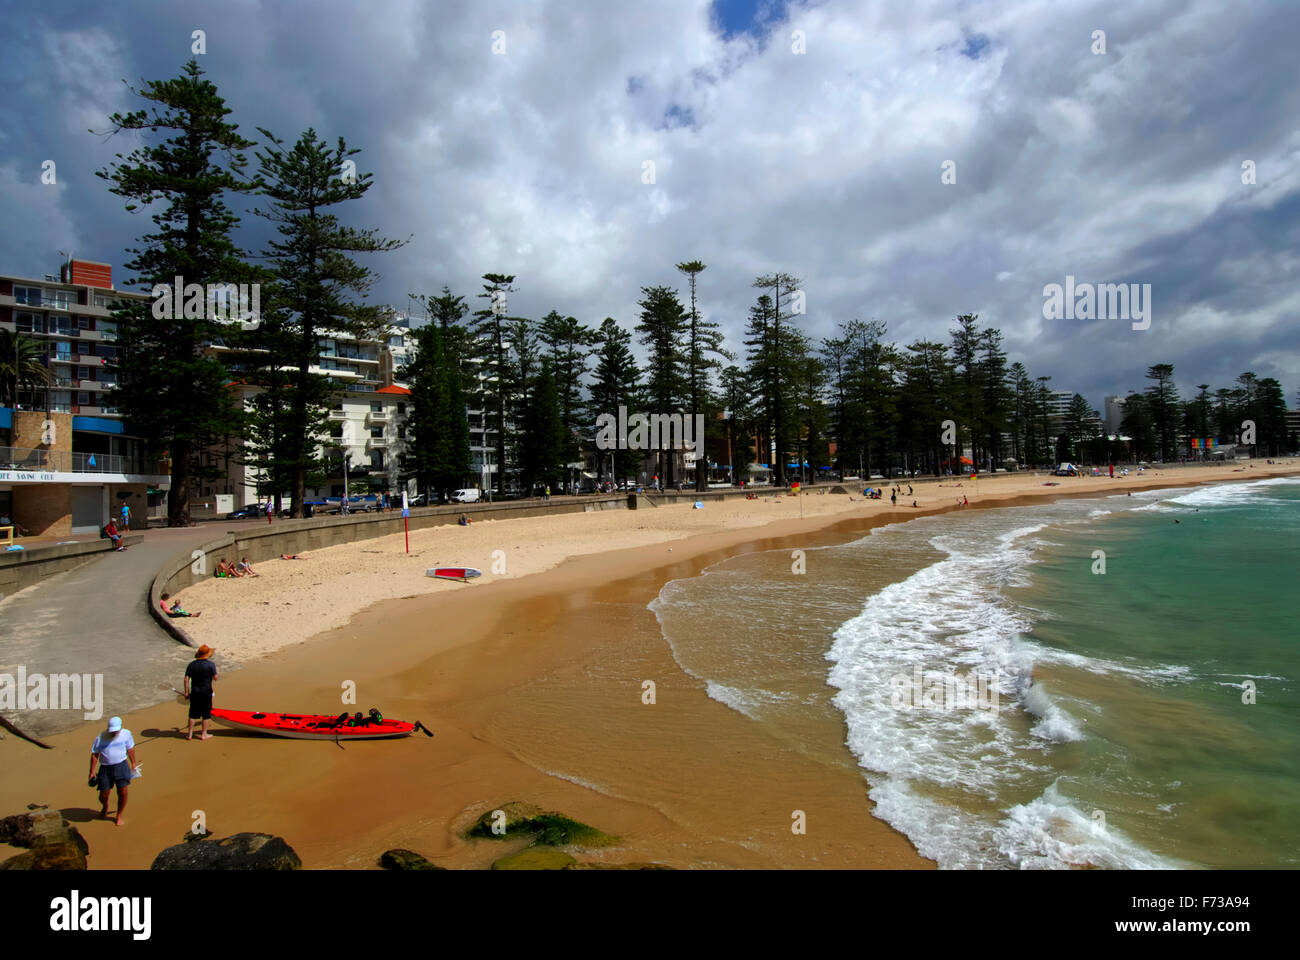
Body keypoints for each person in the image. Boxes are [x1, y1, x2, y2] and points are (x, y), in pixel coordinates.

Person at [88, 716, 137, 826]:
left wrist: (133, 763)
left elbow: (130, 749)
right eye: (112, 731)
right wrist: (92, 771)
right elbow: (95, 754)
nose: (114, 733)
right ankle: (105, 806)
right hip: (105, 768)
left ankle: (118, 815)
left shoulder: (126, 734)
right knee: (104, 794)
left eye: (116, 731)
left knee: (123, 792)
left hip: (121, 766)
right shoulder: (100, 738)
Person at [184, 645, 219, 741]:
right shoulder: (211, 664)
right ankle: (204, 734)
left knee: (192, 714)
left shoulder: (191, 665)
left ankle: (189, 735)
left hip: (195, 692)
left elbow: (186, 679)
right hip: (206, 691)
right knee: (206, 713)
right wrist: (215, 674)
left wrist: (186, 692)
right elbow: (215, 678)